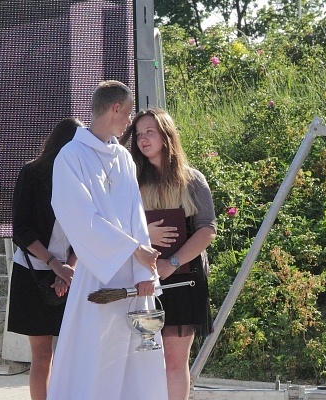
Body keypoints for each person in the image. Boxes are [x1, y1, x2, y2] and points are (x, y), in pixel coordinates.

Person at [47, 80, 167, 400]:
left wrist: (145, 273)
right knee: (94, 359)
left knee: (137, 361)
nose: (130, 122)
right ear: (115, 109)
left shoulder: (124, 158)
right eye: (128, 114)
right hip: (97, 275)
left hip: (134, 276)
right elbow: (79, 218)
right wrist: (132, 250)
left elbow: (135, 216)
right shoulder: (71, 158)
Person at [120, 107, 217, 400]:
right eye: (138, 134)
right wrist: (146, 236)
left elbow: (207, 230)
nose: (143, 139)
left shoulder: (192, 179)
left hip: (184, 281)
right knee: (145, 361)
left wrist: (172, 263)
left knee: (175, 362)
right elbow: (116, 231)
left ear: (166, 135)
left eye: (150, 132)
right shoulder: (130, 181)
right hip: (142, 280)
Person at [8, 117, 81, 400]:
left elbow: (87, 230)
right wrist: (54, 265)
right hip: (33, 270)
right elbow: (21, 230)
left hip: (69, 273)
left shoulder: (83, 180)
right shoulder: (32, 173)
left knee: (70, 353)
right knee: (41, 354)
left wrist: (68, 269)